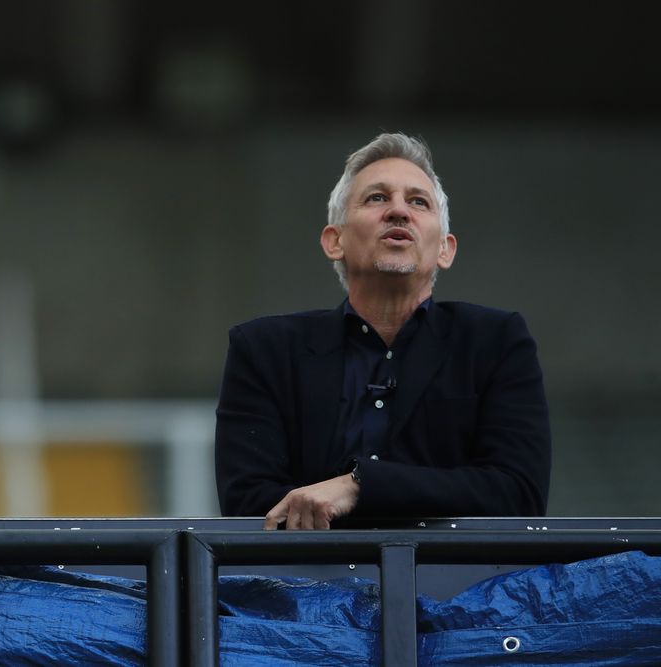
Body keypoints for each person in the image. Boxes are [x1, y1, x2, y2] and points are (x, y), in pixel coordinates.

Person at [214, 132, 550, 529]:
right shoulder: (263, 350)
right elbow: (249, 505)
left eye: (418, 202)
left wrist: (359, 487)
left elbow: (518, 494)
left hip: (454, 586)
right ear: (334, 241)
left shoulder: (496, 341)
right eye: (376, 198)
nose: (398, 212)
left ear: (445, 248)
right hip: (309, 583)